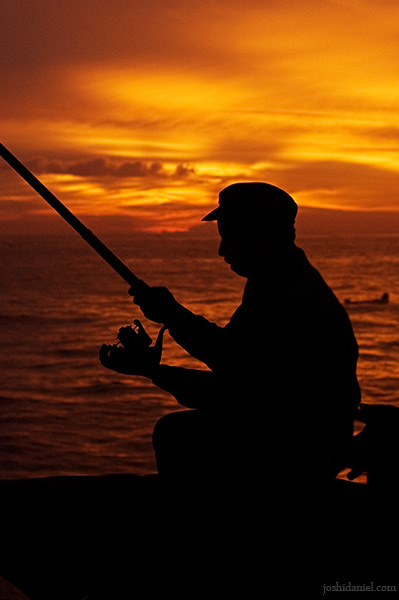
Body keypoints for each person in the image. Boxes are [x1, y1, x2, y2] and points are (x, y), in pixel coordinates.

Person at [100, 182, 361, 504]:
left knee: (176, 433)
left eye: (231, 238)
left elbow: (239, 387)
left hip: (300, 450)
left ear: (263, 233)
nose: (223, 251)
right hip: (299, 438)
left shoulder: (289, 297)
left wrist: (155, 370)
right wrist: (171, 315)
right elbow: (234, 357)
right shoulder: (278, 282)